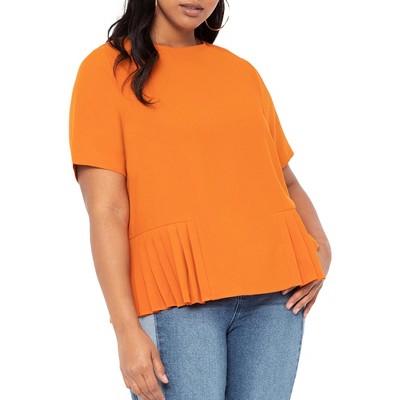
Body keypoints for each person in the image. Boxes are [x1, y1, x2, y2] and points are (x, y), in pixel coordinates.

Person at [68, 0, 332, 399]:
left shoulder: (241, 72)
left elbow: (286, 181)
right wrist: (125, 330)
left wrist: (322, 247)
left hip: (276, 299)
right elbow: (107, 209)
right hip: (178, 300)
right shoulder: (106, 70)